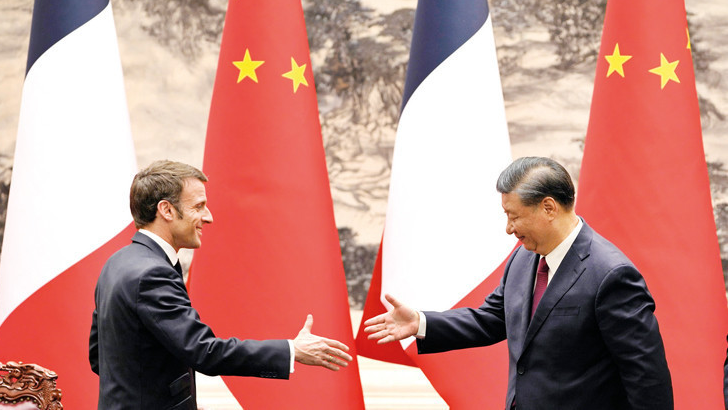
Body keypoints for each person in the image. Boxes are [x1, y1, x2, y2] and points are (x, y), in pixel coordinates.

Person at [364, 156, 673, 410]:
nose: (509, 228)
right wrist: (420, 322)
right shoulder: (524, 257)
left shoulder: (611, 275)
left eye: (514, 216)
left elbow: (646, 376)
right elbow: (492, 318)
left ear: (548, 208)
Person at [89, 160, 352, 409]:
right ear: (166, 210)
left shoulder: (116, 263)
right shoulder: (153, 273)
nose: (209, 217)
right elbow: (204, 351)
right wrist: (291, 350)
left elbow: (100, 357)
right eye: (198, 206)